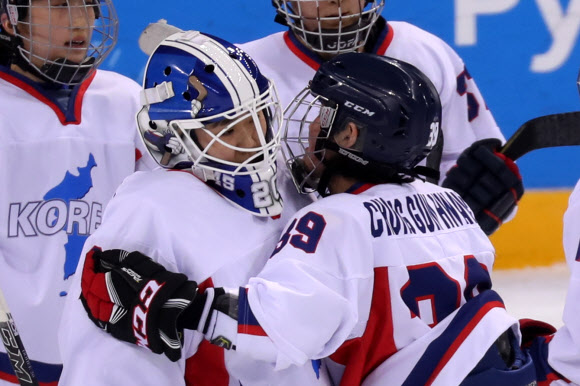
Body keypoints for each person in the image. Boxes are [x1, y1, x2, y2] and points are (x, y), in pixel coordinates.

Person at [80, 53, 579, 385]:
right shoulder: (448, 203)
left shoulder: (331, 223)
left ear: (350, 136)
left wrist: (175, 303)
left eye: (325, 114)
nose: (311, 124)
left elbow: (278, 330)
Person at [58, 30, 329, 385]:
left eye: (257, 116)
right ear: (176, 133)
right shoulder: (151, 215)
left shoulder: (289, 181)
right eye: (227, 128)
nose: (253, 141)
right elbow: (111, 369)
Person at [236, 0, 524, 235]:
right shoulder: (244, 72)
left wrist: (453, 221)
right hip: (297, 266)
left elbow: (477, 166)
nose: (334, 1)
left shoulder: (424, 51)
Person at [0, 0, 156, 384]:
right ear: (9, 20)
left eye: (88, 6)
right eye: (58, 5)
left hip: (110, 360)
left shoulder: (127, 100)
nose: (79, 20)